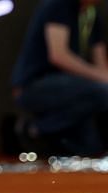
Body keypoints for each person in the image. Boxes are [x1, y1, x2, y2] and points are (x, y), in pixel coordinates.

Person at [12, 0, 108, 154]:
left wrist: (103, 78)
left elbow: (101, 65)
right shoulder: (58, 5)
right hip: (35, 85)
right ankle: (36, 128)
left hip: (73, 89)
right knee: (103, 93)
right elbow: (58, 55)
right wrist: (102, 80)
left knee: (90, 148)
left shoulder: (92, 15)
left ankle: (47, 132)